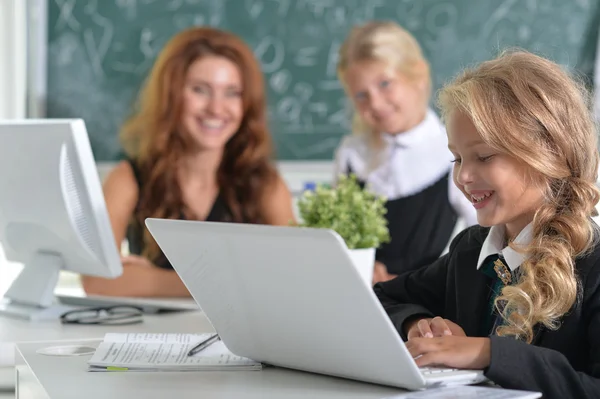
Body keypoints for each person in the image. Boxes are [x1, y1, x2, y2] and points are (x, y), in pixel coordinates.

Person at [374, 49, 600, 398]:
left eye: (484, 156)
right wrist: (418, 325)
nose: (463, 176)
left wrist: (487, 353)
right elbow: (380, 299)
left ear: (547, 154)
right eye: (457, 157)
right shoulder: (471, 250)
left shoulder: (593, 264)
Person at [81, 27, 295, 297]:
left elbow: (292, 277)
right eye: (200, 90)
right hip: (156, 338)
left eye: (232, 93)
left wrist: (147, 280)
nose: (216, 109)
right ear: (171, 95)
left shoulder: (266, 185)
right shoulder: (128, 178)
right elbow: (97, 281)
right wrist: (218, 285)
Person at [334, 21, 477, 284]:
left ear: (418, 76)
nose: (375, 103)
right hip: (359, 297)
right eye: (361, 95)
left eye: (385, 83)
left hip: (426, 307)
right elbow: (339, 239)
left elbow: (484, 247)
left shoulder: (453, 151)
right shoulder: (351, 154)